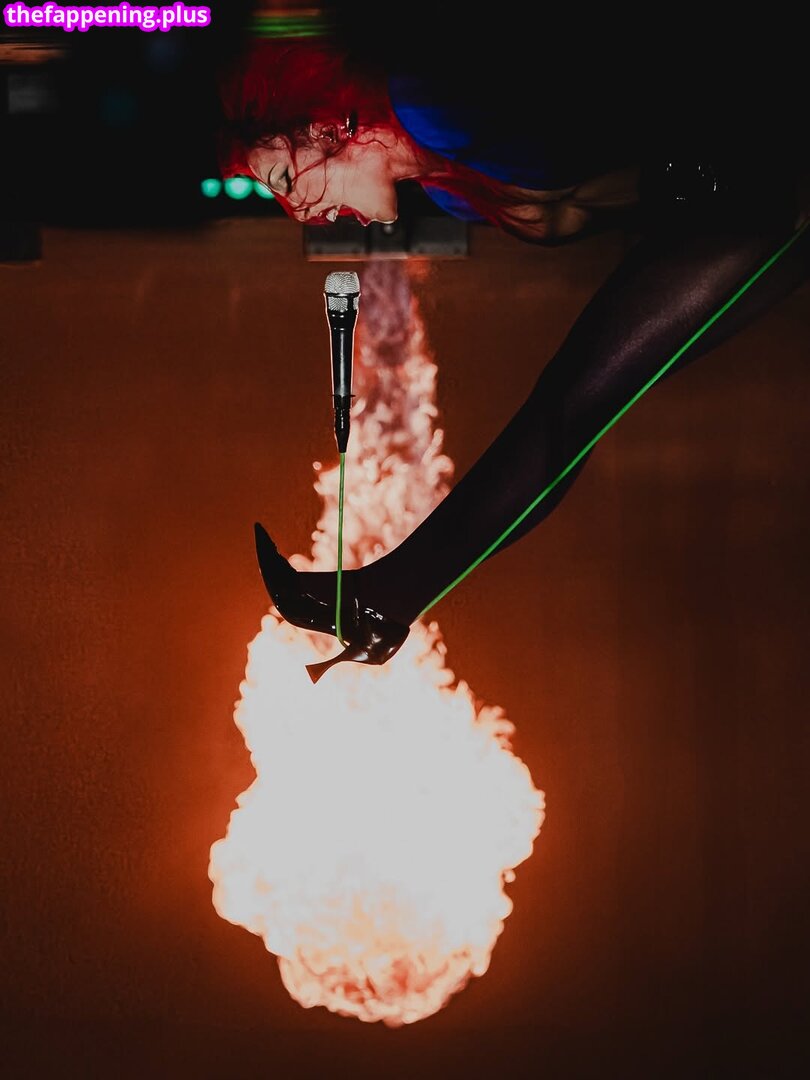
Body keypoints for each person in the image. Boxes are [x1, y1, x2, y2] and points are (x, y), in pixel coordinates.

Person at [215, 35, 810, 683]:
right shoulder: (451, 192)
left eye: (284, 178)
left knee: (571, 403)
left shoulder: (431, 99)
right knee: (575, 408)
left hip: (761, 169)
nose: (297, 210)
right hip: (739, 207)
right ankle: (382, 599)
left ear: (325, 126)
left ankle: (381, 600)